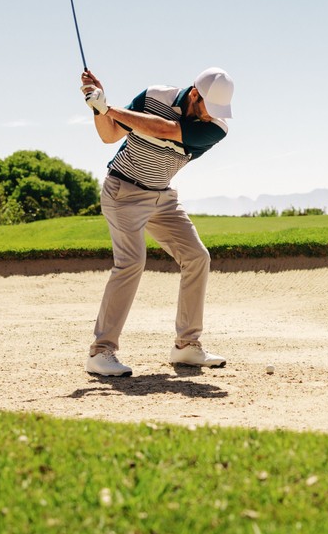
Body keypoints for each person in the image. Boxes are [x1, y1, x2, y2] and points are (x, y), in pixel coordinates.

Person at [78, 66, 234, 377]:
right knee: (132, 261)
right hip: (123, 190)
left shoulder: (216, 129)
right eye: (207, 107)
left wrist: (108, 107)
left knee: (196, 257)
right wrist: (98, 106)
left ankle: (186, 346)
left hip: (162, 197)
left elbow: (163, 130)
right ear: (194, 94)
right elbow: (109, 135)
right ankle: (101, 351)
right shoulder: (153, 96)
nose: (210, 116)